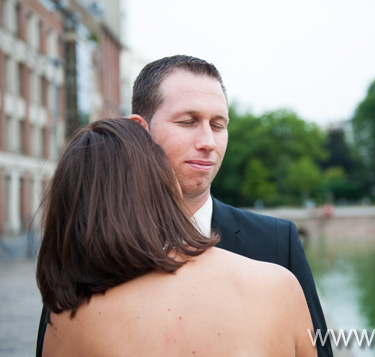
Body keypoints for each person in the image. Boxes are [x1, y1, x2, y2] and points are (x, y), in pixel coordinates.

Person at [35, 55, 332, 356]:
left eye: (218, 125)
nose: (208, 142)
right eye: (188, 122)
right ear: (140, 128)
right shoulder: (90, 246)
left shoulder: (277, 242)